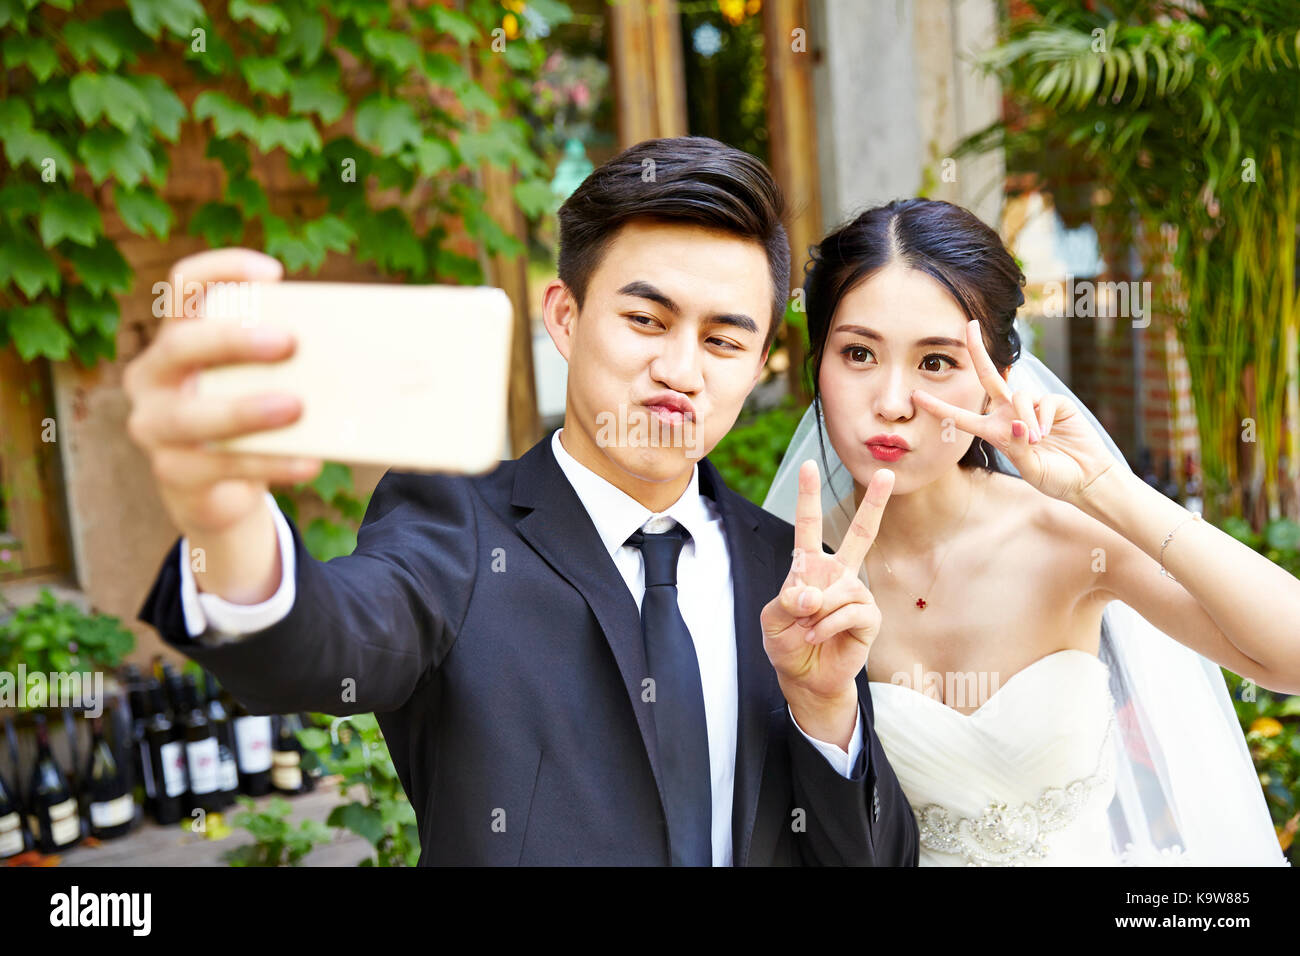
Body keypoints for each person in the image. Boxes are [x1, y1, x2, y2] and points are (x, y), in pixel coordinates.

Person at [127, 136, 918, 866]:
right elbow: (321, 647)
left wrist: (825, 711)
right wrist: (226, 522)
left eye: (722, 341)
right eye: (645, 320)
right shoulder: (456, 529)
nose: (681, 371)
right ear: (565, 319)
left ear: (757, 365)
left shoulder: (790, 574)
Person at [762, 197, 1296, 866]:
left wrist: (1109, 492)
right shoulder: (785, 583)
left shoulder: (1072, 539)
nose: (892, 403)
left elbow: (1291, 659)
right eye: (859, 353)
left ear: (996, 385)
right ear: (819, 365)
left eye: (937, 363)